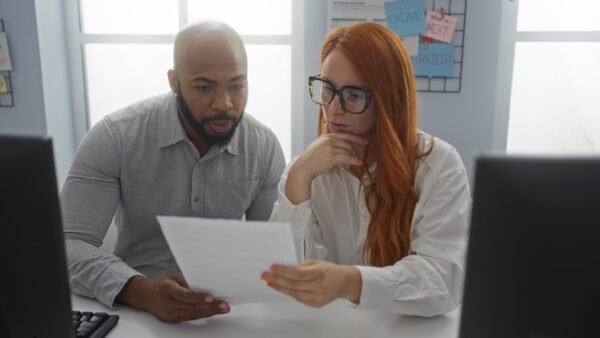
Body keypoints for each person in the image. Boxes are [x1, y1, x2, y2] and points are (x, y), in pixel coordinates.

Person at [61, 21, 285, 323]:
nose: (224, 103)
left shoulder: (264, 146)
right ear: (174, 81)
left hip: (229, 316)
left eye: (237, 85)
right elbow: (67, 244)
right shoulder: (115, 136)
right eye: (204, 87)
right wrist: (140, 290)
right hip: (133, 311)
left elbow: (271, 257)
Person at [264, 22, 470, 317]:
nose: (333, 108)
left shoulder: (439, 165)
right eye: (327, 89)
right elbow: (283, 279)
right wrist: (297, 179)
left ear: (388, 101)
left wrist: (352, 282)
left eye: (354, 95)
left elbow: (443, 282)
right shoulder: (307, 170)